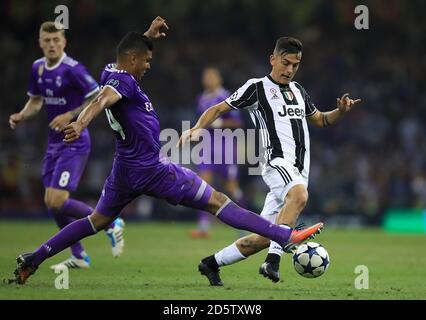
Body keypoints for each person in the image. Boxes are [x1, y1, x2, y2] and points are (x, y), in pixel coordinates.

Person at [8, 18, 322, 285]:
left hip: (124, 170)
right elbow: (102, 98)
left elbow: (122, 61)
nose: (147, 66)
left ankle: (34, 258)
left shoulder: (111, 69)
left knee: (96, 222)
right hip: (152, 170)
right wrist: (81, 121)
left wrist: (147, 36)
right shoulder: (124, 83)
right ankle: (283, 235)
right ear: (132, 61)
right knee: (219, 202)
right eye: (146, 61)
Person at [181, 37, 361, 286]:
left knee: (263, 237)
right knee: (299, 196)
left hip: (299, 169)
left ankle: (211, 263)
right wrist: (197, 128)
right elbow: (219, 108)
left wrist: (340, 111)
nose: (289, 70)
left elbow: (320, 119)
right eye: (285, 63)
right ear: (272, 59)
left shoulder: (299, 91)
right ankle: (273, 261)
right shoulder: (257, 87)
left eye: (295, 65)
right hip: (276, 163)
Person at [8, 21, 125, 270]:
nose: (52, 44)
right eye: (47, 40)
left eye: (56, 40)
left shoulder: (73, 69)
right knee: (51, 202)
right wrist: (21, 114)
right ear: (40, 42)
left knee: (58, 200)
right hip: (53, 145)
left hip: (74, 140)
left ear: (64, 42)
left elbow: (97, 97)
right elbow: (36, 102)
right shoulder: (38, 68)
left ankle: (110, 221)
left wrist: (69, 114)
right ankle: (80, 255)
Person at [190, 67, 244, 238]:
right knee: (203, 186)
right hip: (207, 148)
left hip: (226, 148)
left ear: (219, 79)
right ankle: (204, 226)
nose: (208, 80)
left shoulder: (227, 98)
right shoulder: (201, 99)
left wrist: (219, 124)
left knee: (232, 188)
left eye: (211, 77)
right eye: (206, 77)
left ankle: (243, 224)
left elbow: (238, 123)